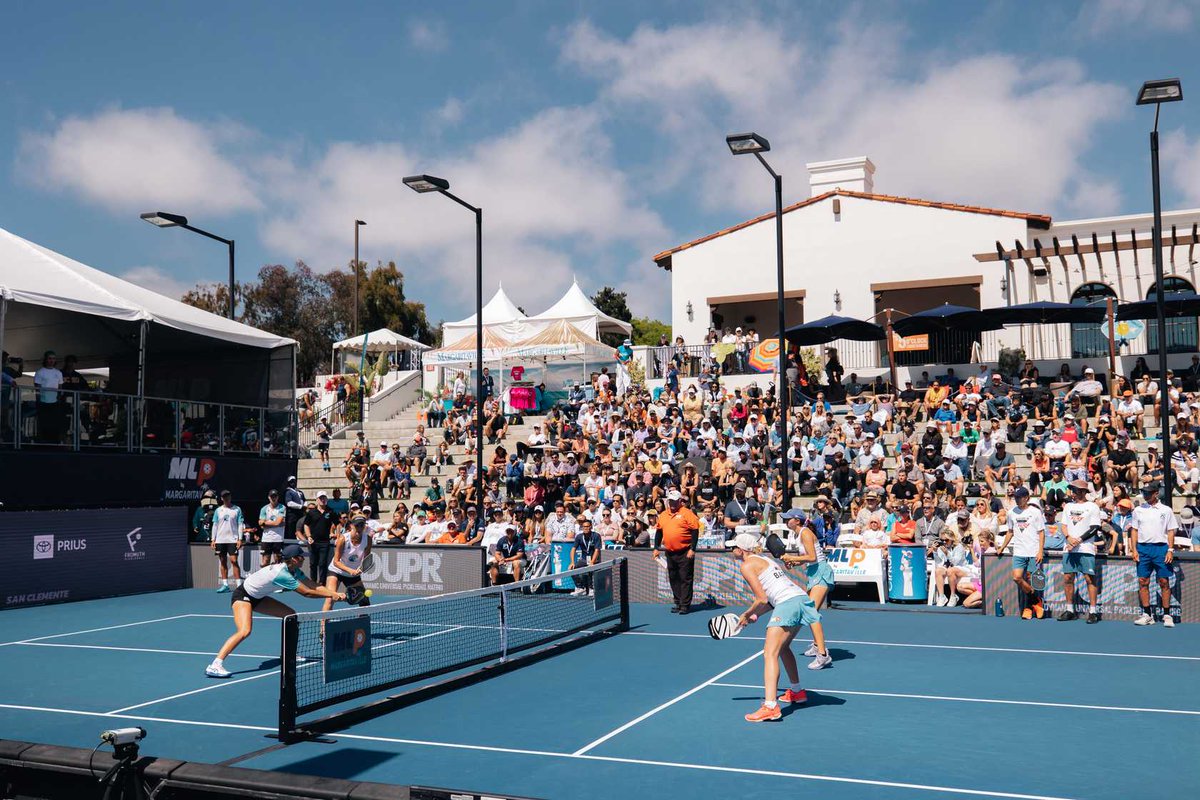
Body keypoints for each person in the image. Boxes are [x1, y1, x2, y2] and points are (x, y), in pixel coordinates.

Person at [727, 532, 831, 723]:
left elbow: (761, 598)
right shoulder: (764, 560)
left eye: (733, 547)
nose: (731, 550)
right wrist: (755, 615)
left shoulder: (747, 565)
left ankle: (770, 706)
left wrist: (746, 614)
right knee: (783, 649)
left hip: (788, 604)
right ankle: (797, 692)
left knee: (770, 654)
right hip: (800, 599)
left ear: (741, 550)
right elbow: (771, 601)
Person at [206, 543, 344, 678]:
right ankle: (215, 665)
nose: (304, 558)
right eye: (301, 556)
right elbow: (307, 592)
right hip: (243, 596)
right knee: (244, 631)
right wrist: (332, 595)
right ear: (294, 559)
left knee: (290, 615)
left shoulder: (294, 570)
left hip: (258, 597)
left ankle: (288, 655)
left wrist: (334, 593)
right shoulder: (282, 574)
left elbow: (312, 585)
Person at [1129, 483, 1178, 627]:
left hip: (1161, 549)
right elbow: (1134, 530)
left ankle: (1167, 615)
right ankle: (1147, 614)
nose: (1145, 495)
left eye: (1148, 493)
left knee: (1164, 581)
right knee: (1143, 581)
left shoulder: (1166, 510)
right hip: (1143, 549)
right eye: (1144, 492)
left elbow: (1170, 531)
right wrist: (1134, 549)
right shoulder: (1138, 510)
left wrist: (1170, 549)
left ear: (1156, 493)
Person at [995, 487, 1046, 620]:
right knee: (1017, 578)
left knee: (1030, 579)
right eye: (1015, 497)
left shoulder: (1035, 512)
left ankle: (1028, 608)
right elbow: (1010, 532)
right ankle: (1037, 601)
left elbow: (1041, 532)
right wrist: (1002, 547)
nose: (1017, 500)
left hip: (1033, 550)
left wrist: (1040, 551)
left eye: (1019, 497)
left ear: (1026, 498)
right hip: (1019, 551)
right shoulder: (1012, 512)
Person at [1058, 480, 1103, 623]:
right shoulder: (1068, 507)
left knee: (1089, 578)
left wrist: (1077, 540)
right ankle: (1070, 609)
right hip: (1069, 548)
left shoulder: (1092, 507)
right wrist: (1068, 538)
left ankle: (1093, 611)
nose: (1073, 493)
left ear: (1083, 492)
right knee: (1068, 578)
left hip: (1085, 548)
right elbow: (1063, 525)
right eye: (1072, 489)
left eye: (1076, 490)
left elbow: (1095, 527)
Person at [778, 508, 834, 617]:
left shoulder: (805, 533)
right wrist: (793, 562)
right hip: (813, 571)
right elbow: (805, 558)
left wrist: (792, 558)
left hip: (821, 571)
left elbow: (812, 557)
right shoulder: (797, 535)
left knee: (811, 612)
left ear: (797, 521)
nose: (785, 521)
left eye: (788, 519)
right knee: (809, 612)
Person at [652, 489, 700, 614]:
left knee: (685, 578)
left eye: (674, 501)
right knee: (673, 578)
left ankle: (685, 605)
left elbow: (695, 530)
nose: (672, 503)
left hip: (685, 551)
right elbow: (659, 531)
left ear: (680, 501)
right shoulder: (663, 514)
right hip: (670, 551)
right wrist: (656, 547)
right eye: (670, 501)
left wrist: (692, 549)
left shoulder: (687, 513)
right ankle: (678, 602)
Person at [321, 515, 374, 615]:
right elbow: (336, 561)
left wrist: (361, 569)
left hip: (353, 574)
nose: (359, 527)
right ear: (352, 526)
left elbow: (366, 558)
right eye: (357, 525)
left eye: (362, 525)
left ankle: (362, 625)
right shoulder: (343, 539)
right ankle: (323, 628)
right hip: (336, 571)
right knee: (330, 598)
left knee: (364, 601)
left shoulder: (368, 539)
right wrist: (350, 570)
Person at [210, 490, 244, 593]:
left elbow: (240, 525)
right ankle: (225, 585)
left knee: (234, 561)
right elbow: (215, 525)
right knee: (223, 561)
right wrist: (213, 539)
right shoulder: (218, 511)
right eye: (224, 497)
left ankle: (239, 586)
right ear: (221, 498)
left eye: (228, 496)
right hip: (220, 540)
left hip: (232, 540)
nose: (226, 498)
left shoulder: (237, 509)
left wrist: (240, 539)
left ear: (230, 497)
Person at [300, 490, 337, 584]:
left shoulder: (331, 511)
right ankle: (313, 582)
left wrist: (335, 533)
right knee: (313, 564)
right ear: (317, 500)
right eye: (320, 498)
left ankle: (322, 583)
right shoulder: (311, 512)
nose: (322, 500)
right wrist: (308, 536)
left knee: (322, 564)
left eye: (324, 498)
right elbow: (306, 525)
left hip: (325, 542)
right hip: (312, 542)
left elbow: (337, 524)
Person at [569, 518, 603, 596]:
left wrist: (592, 562)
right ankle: (581, 588)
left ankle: (592, 589)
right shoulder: (579, 537)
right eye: (584, 527)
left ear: (591, 527)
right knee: (572, 569)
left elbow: (597, 550)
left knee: (591, 570)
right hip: (584, 560)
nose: (586, 528)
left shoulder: (596, 536)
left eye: (587, 526)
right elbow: (573, 549)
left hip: (595, 560)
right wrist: (572, 562)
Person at [258, 489, 287, 567]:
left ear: (278, 497)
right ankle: (265, 579)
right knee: (265, 562)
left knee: (278, 562)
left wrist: (266, 523)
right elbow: (261, 524)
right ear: (268, 497)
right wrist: (277, 524)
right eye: (272, 496)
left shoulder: (282, 507)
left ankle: (276, 579)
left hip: (278, 538)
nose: (273, 498)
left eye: (275, 496)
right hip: (266, 538)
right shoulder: (264, 509)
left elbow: (278, 522)